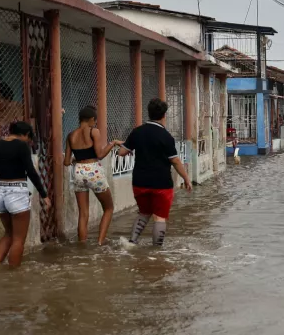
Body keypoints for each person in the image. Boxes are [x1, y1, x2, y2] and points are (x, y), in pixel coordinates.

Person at [117, 98, 192, 246]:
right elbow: (175, 161)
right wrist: (187, 179)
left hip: (140, 182)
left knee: (144, 213)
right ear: (164, 115)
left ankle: (132, 242)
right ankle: (157, 252)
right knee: (159, 217)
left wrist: (127, 146)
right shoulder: (166, 137)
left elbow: (121, 152)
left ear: (149, 114)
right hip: (161, 183)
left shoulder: (137, 132)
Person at [0, 121, 49, 268]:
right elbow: (31, 172)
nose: (29, 141)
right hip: (17, 192)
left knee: (8, 233)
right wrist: (44, 194)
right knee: (19, 239)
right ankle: (13, 275)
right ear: (26, 134)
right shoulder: (22, 146)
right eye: (29, 137)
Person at [64, 106, 122, 245]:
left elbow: (66, 162)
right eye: (95, 121)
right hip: (94, 172)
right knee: (108, 208)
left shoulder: (71, 135)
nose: (95, 123)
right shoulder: (93, 131)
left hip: (78, 172)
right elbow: (100, 154)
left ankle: (82, 246)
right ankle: (100, 243)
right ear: (91, 119)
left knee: (83, 214)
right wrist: (113, 143)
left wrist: (78, 160)